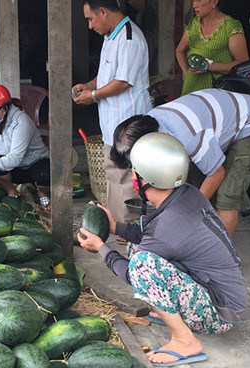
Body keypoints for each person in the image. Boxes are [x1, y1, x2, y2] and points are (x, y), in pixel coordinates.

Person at [78, 132, 246, 367]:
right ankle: (169, 309)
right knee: (138, 247)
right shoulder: (186, 193)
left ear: (144, 179)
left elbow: (132, 275)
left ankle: (184, 340)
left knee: (141, 264)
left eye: (134, 171)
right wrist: (116, 226)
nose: (132, 176)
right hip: (218, 289)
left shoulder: (169, 227)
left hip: (219, 313)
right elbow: (151, 237)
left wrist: (102, 248)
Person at [110, 88, 250, 236]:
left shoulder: (190, 136)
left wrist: (188, 210)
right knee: (194, 185)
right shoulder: (149, 126)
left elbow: (217, 174)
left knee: (227, 195)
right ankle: (202, 239)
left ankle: (222, 260)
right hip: (213, 117)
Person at [72, 0, 151, 223]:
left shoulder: (129, 38)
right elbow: (106, 75)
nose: (90, 25)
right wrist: (89, 86)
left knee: (127, 176)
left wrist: (94, 96)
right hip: (112, 123)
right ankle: (116, 223)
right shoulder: (110, 37)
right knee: (112, 174)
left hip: (128, 121)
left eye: (90, 19)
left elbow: (123, 82)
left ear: (104, 12)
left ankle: (129, 226)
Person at [176, 0, 249, 95]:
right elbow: (180, 51)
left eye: (199, 0)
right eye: (193, 1)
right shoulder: (193, 24)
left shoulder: (230, 26)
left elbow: (243, 64)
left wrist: (210, 66)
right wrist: (187, 74)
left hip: (218, 91)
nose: (194, 5)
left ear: (214, 2)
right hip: (191, 89)